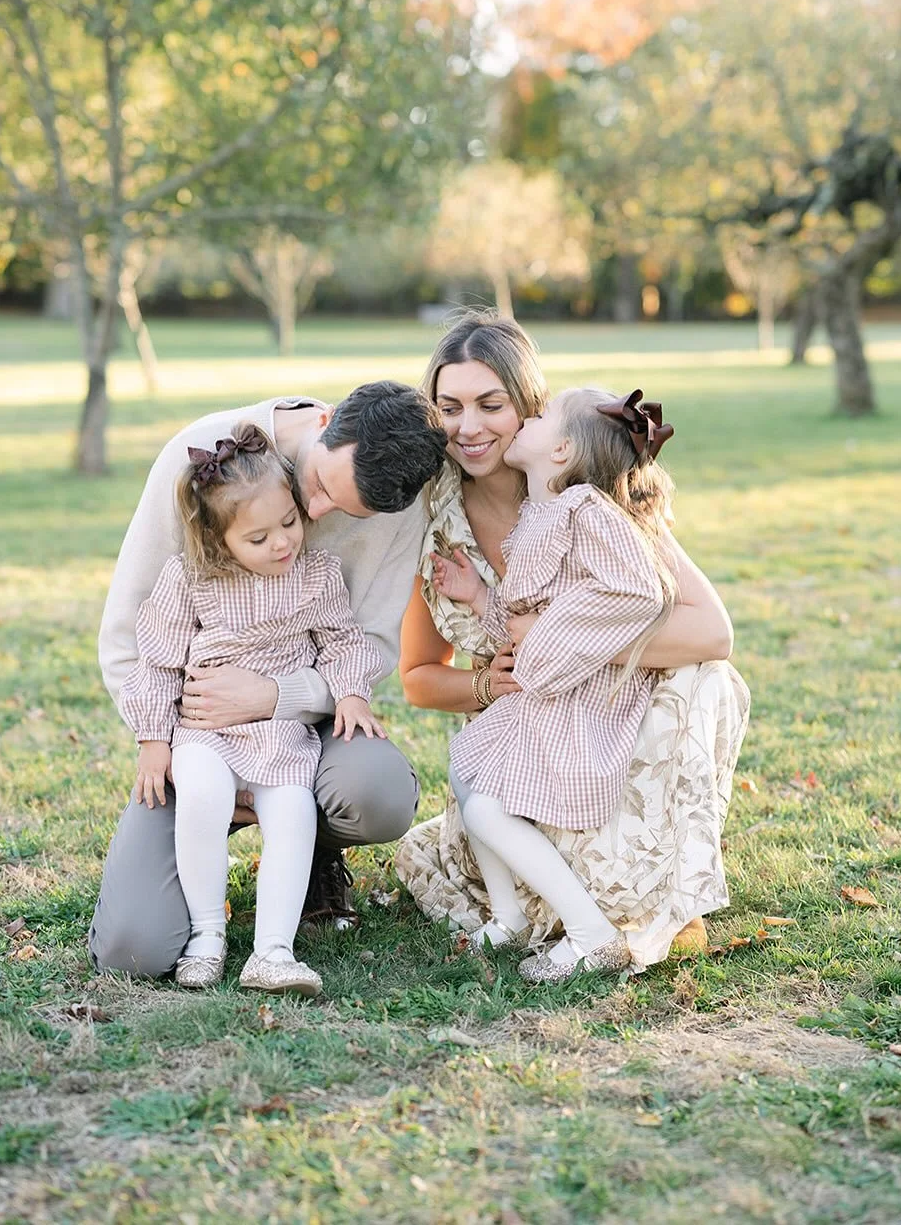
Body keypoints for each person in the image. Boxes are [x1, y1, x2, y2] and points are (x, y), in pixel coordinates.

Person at [394, 313, 750, 970]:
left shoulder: (591, 503)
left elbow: (711, 631)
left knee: (706, 677)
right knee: (479, 795)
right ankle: (534, 909)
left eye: (489, 404)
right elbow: (416, 675)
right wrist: (487, 673)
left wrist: (562, 640)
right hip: (519, 732)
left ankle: (635, 886)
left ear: (531, 411)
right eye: (449, 407)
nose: (467, 427)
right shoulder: (433, 517)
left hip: (592, 721)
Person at [89, 382, 448, 977]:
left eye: (347, 512)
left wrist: (277, 699)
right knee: (134, 950)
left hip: (300, 730)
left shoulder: (393, 503)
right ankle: (204, 916)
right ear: (327, 423)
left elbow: (369, 645)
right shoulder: (201, 459)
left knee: (376, 793)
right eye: (324, 488)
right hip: (196, 732)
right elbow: (131, 643)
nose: (313, 518)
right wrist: (164, 742)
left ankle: (312, 858)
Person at [121, 424, 384, 995]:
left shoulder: (316, 576)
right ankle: (207, 936)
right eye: (258, 538)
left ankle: (272, 952)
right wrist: (153, 739)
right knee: (203, 800)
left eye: (289, 523)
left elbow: (342, 641)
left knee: (293, 817)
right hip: (204, 734)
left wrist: (351, 691)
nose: (283, 543)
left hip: (281, 736)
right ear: (220, 541)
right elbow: (160, 660)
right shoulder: (191, 577)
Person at [430, 386, 681, 980]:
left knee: (488, 809)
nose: (527, 418)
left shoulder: (588, 510)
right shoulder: (541, 517)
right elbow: (522, 616)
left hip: (580, 702)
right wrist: (480, 596)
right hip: (547, 694)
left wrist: (550, 632)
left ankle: (591, 931)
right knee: (466, 770)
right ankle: (511, 917)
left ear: (561, 449)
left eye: (538, 416)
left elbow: (638, 591)